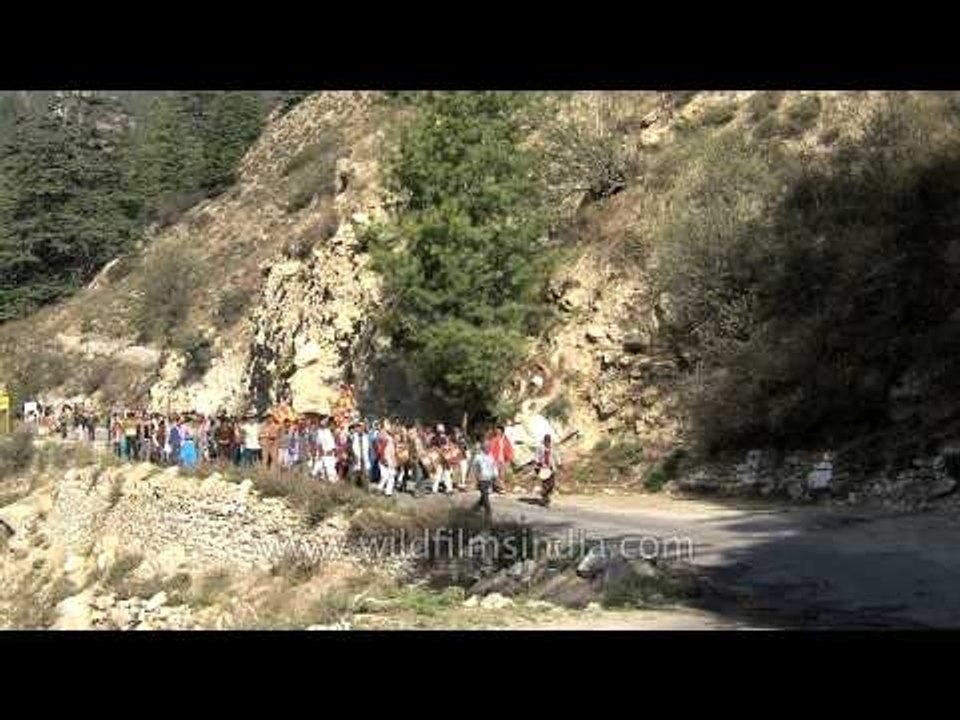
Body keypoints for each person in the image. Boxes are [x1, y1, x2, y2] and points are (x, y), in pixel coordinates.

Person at [471, 440, 499, 523]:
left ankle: (474, 509)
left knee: (483, 496)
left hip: (489, 478)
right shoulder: (478, 456)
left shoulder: (491, 456)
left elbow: (494, 466)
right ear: (483, 448)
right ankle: (488, 512)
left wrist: (495, 476)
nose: (488, 448)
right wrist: (476, 478)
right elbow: (474, 467)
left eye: (489, 447)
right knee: (485, 495)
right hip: (482, 479)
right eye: (487, 447)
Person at [535, 434, 561, 507]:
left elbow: (557, 455)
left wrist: (559, 463)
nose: (547, 443)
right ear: (544, 441)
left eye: (548, 441)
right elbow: (537, 456)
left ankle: (545, 496)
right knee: (545, 484)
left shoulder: (553, 448)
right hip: (543, 468)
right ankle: (546, 499)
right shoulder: (540, 447)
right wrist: (538, 464)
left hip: (551, 468)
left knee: (552, 484)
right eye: (546, 441)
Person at [488, 426, 514, 494]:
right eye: (496, 431)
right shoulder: (494, 439)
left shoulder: (505, 440)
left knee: (502, 475)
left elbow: (509, 449)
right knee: (494, 474)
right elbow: (490, 449)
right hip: (495, 459)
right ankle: (491, 487)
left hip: (503, 459)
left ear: (502, 432)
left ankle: (501, 488)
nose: (497, 432)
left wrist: (510, 458)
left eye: (499, 431)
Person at [376, 420, 398, 496]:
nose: (389, 426)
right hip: (385, 457)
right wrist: (383, 458)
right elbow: (379, 448)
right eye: (387, 424)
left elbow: (394, 446)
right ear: (383, 425)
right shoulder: (381, 434)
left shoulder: (391, 434)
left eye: (389, 424)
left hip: (392, 457)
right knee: (385, 476)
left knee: (392, 475)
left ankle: (388, 492)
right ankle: (379, 488)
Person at [350, 421, 372, 490]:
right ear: (356, 428)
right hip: (355, 460)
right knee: (354, 478)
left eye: (362, 427)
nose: (360, 429)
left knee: (366, 477)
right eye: (358, 427)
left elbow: (369, 449)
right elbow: (349, 449)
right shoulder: (353, 437)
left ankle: (365, 492)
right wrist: (353, 457)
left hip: (365, 460)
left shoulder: (366, 437)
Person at [314, 417, 338, 482]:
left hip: (330, 456)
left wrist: (335, 454)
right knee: (320, 474)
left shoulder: (330, 432)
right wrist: (321, 453)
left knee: (332, 476)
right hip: (324, 455)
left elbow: (333, 447)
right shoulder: (320, 432)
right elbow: (318, 444)